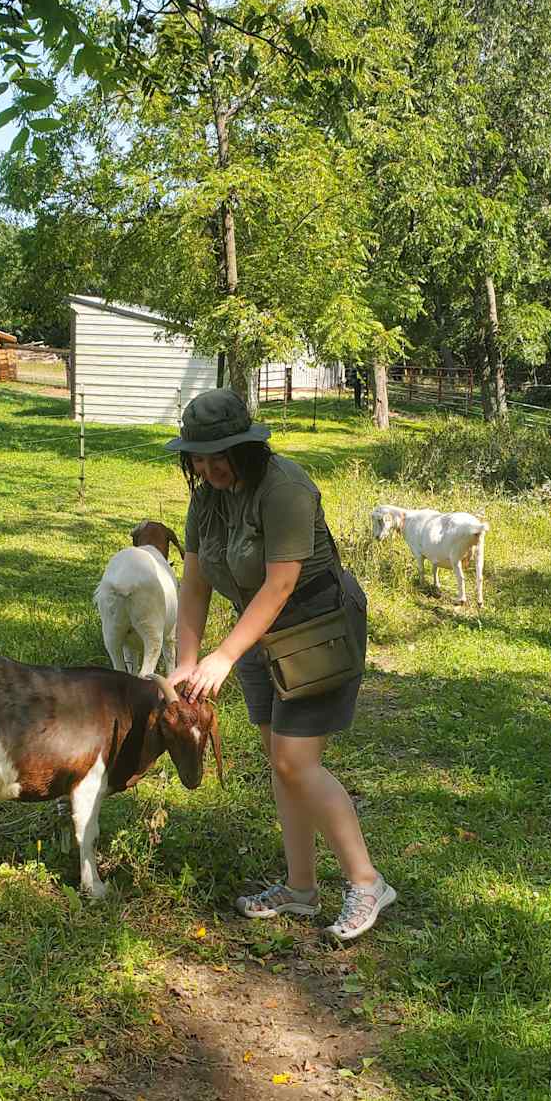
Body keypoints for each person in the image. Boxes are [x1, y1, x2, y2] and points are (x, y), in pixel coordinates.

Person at [166, 388, 396, 943]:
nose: (208, 466)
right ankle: (300, 887)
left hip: (315, 628)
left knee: (297, 761)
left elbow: (282, 582)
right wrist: (186, 661)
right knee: (280, 761)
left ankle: (367, 882)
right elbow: (195, 584)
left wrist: (223, 655)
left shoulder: (284, 487)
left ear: (246, 446)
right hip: (257, 634)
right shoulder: (207, 499)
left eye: (218, 454)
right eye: (198, 456)